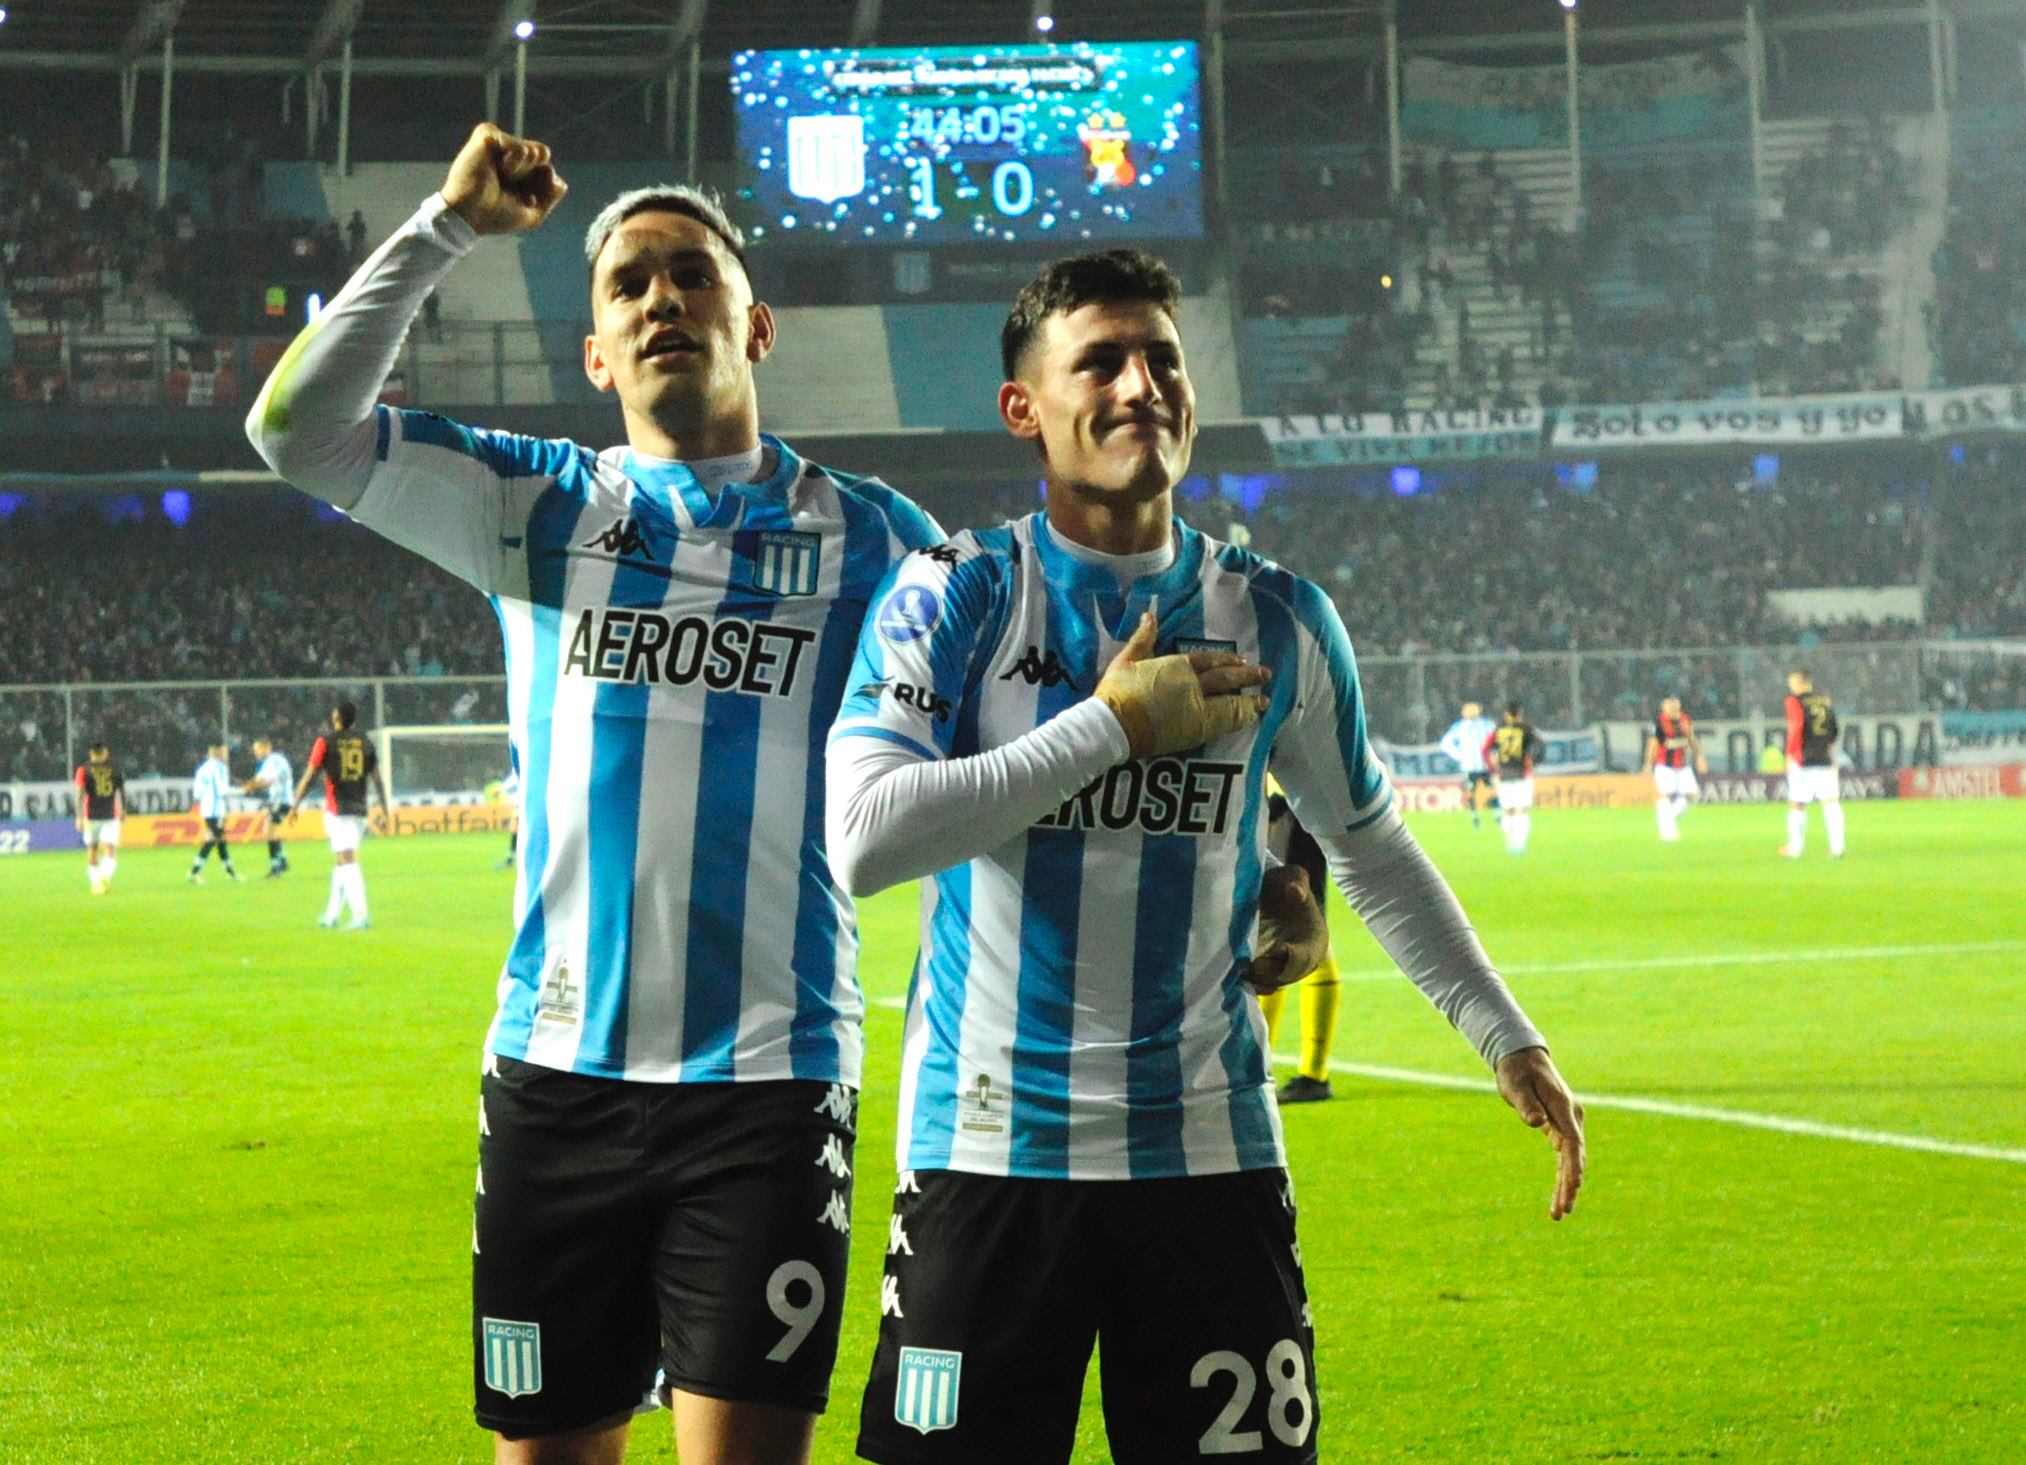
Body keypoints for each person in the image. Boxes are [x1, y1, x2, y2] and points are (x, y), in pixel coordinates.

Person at [246, 123, 946, 1465]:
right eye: (627, 285)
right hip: (554, 1085)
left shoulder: (877, 538)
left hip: (766, 1084)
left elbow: (1001, 729)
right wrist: (444, 225)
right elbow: (293, 429)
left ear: (757, 320)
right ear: (594, 352)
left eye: (690, 274)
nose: (661, 299)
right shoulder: (533, 507)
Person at [828, 249, 1583, 1465]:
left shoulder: (1276, 614)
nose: (1140, 385)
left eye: (1161, 358)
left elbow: (1371, 843)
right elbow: (864, 840)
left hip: (1210, 1151)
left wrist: (1505, 1033)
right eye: (1101, 362)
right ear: (1024, 407)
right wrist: (1116, 724)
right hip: (986, 1150)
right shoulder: (953, 593)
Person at [1259, 773, 1343, 1103]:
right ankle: (1281, 1068)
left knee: (1298, 938)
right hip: (1291, 807)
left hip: (1290, 812)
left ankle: (1312, 1074)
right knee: (1272, 945)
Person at [291, 701, 391, 930]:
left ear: (336, 718)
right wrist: (385, 811)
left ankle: (360, 915)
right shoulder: (365, 742)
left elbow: (310, 777)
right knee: (341, 861)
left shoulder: (325, 742)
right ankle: (331, 915)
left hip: (338, 810)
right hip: (359, 810)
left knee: (347, 860)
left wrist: (295, 804)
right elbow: (377, 779)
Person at [1780, 670, 1844, 858]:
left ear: (1800, 683)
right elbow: (1834, 727)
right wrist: (1829, 748)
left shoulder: (1793, 701)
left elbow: (1796, 727)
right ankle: (1838, 848)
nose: (1790, 687)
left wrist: (1789, 754)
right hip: (1825, 756)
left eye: (1791, 683)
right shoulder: (1824, 700)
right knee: (1830, 802)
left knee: (1797, 804)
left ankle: (1795, 848)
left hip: (1803, 758)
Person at [1641, 696, 1708, 843]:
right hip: (1665, 766)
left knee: (1692, 796)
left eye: (1672, 707)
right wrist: (1648, 764)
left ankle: (1667, 819)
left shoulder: (1685, 720)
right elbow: (1652, 744)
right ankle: (1667, 831)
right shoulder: (1659, 723)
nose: (1669, 710)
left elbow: (1692, 739)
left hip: (1683, 766)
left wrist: (1699, 757)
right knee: (1666, 796)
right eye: (1667, 708)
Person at [1484, 700, 1544, 856]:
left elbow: (1485, 749)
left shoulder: (1499, 730)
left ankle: (1510, 845)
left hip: (1503, 774)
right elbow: (1540, 747)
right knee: (1521, 810)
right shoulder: (1527, 729)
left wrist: (1493, 768)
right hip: (1522, 774)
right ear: (1520, 714)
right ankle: (1520, 845)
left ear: (1507, 714)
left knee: (1507, 811)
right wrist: (1532, 762)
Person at [73, 740, 125, 894]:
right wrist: (124, 810)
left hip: (90, 816)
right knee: (110, 851)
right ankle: (102, 880)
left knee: (92, 850)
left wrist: (78, 816)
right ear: (103, 753)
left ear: (91, 753)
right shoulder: (115, 768)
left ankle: (98, 883)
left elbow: (79, 795)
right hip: (110, 815)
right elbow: (121, 791)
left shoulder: (83, 770)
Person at [1438, 699, 1497, 827]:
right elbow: (1445, 744)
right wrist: (1459, 756)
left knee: (1485, 791)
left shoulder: (1487, 725)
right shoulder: (1465, 726)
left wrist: (1459, 756)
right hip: (1474, 765)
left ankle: (1490, 816)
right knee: (1480, 791)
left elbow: (1445, 743)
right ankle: (1483, 817)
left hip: (1482, 765)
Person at [242, 736, 296, 876]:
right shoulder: (275, 760)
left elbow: (268, 781)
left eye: (257, 749)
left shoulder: (272, 761)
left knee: (270, 832)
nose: (256, 753)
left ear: (266, 748)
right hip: (283, 799)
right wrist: (250, 785)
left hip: (280, 800)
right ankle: (282, 861)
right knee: (272, 830)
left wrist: (250, 787)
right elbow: (259, 779)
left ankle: (275, 867)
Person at [189, 742, 242, 883]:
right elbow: (222, 790)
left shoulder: (202, 769)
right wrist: (242, 790)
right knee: (212, 840)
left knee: (221, 840)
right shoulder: (220, 768)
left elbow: (196, 794)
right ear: (217, 752)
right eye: (224, 752)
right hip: (216, 810)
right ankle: (194, 872)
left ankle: (230, 873)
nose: (226, 755)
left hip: (206, 809)